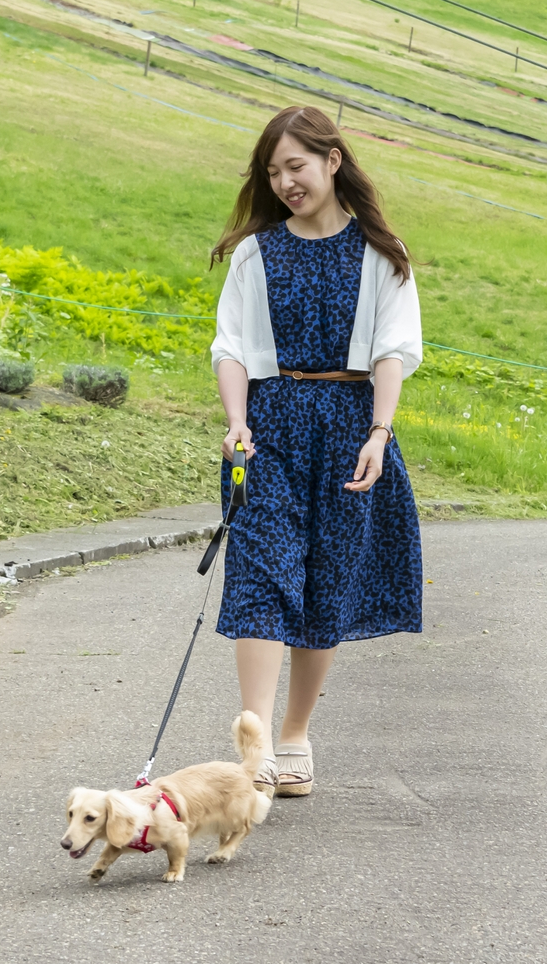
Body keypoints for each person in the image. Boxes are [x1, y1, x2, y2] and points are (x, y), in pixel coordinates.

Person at [208, 104, 424, 799]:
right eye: (272, 172)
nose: (284, 183)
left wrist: (380, 433)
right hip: (268, 426)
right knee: (261, 573)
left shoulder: (381, 255)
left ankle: (296, 733)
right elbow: (232, 347)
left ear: (333, 160)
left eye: (295, 166)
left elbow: (393, 350)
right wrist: (237, 421)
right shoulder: (256, 252)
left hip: (348, 422)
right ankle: (258, 742)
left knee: (325, 578)